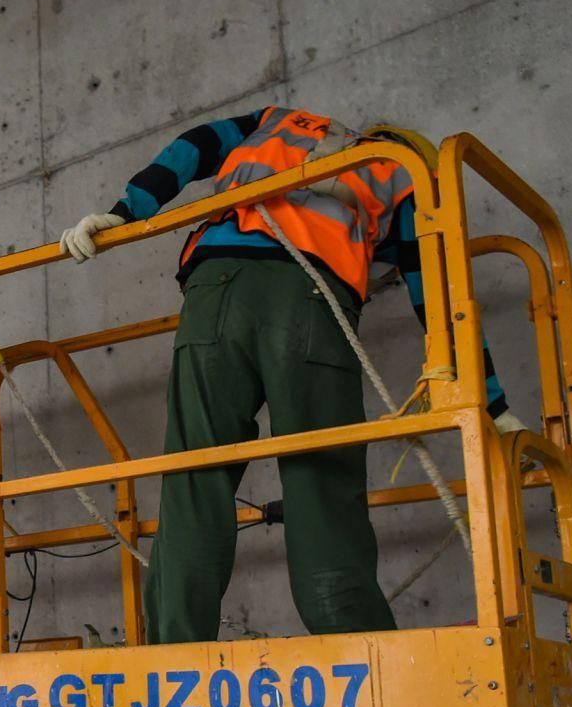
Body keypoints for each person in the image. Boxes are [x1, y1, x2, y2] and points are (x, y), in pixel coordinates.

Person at [58, 109, 526, 644]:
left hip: (214, 292)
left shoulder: (279, 121)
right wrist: (494, 407)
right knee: (321, 482)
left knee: (193, 477)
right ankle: (358, 647)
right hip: (311, 304)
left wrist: (126, 211)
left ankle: (173, 654)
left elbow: (195, 145)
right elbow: (441, 302)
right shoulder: (404, 171)